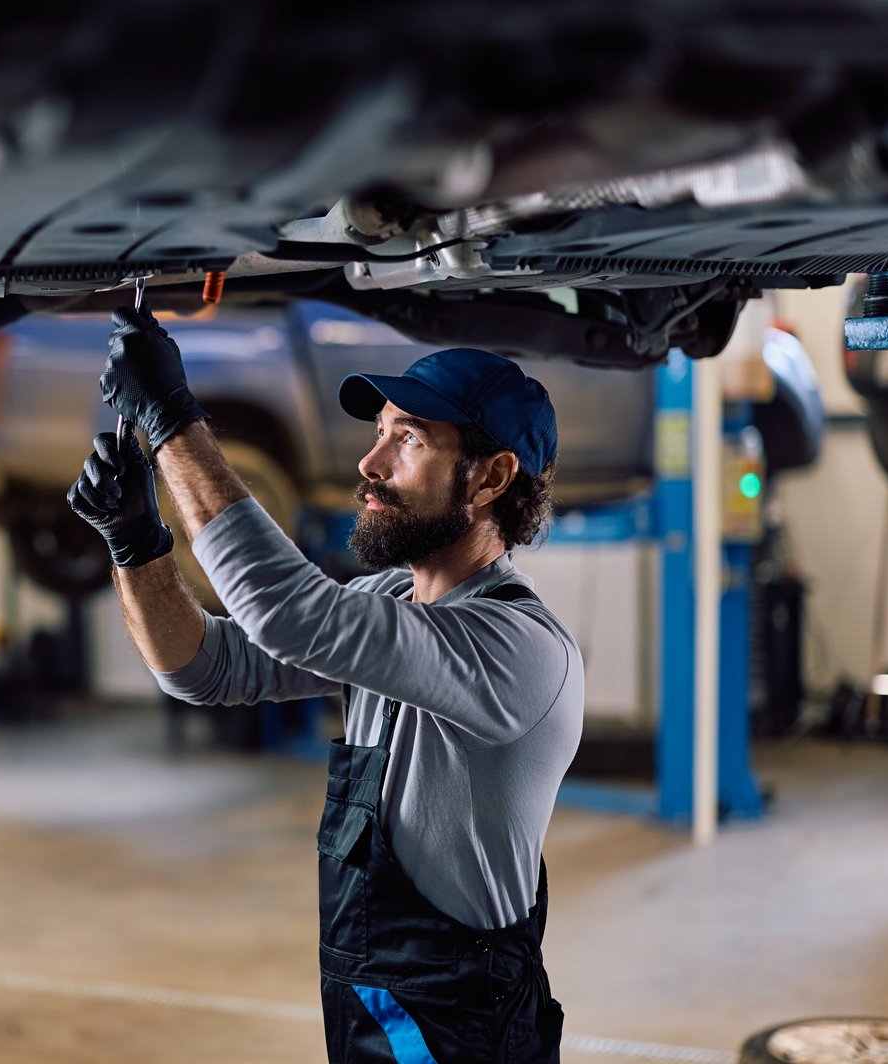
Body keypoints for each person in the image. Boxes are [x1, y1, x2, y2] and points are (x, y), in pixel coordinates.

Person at [67, 307, 584, 1063]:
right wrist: (137, 543)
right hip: (377, 1004)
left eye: (407, 439)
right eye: (379, 433)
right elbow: (204, 670)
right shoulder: (390, 605)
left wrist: (173, 419)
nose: (371, 465)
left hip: (457, 1024)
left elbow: (289, 612)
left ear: (493, 478)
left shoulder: (521, 648)